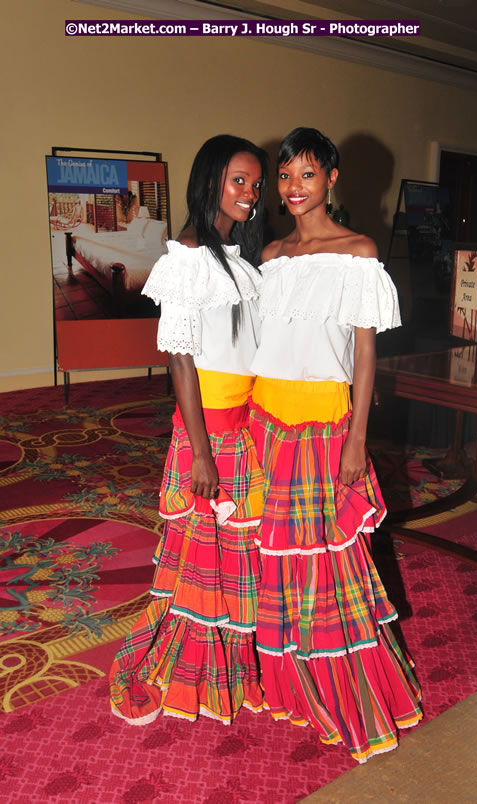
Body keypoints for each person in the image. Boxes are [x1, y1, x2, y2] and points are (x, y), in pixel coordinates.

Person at [248, 127, 422, 762]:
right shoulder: (269, 255)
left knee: (328, 564)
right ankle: (290, 683)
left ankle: (343, 690)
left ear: (332, 179)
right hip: (266, 419)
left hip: (324, 425)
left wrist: (357, 438)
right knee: (275, 560)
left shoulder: (358, 252)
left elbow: (366, 355)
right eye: (286, 176)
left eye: (307, 175)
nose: (295, 188)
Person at [110, 134, 268, 726]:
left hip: (246, 427)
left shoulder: (240, 255)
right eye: (238, 181)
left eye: (255, 183)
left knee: (238, 558)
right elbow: (180, 360)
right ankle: (190, 672)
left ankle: (233, 668)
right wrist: (201, 455)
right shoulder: (188, 256)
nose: (250, 193)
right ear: (209, 183)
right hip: (209, 434)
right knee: (201, 561)